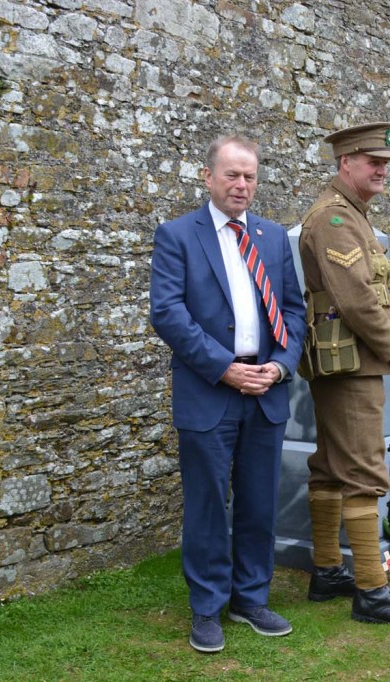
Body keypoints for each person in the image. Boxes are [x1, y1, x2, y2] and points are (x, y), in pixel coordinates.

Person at [149, 135, 307, 652]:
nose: (242, 185)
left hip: (265, 392)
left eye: (250, 177)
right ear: (208, 176)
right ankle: (208, 607)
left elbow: (292, 312)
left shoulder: (273, 235)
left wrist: (281, 368)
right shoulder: (177, 235)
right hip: (209, 392)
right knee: (208, 504)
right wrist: (224, 369)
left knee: (261, 502)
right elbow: (168, 313)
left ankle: (251, 598)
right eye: (232, 175)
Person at [298, 121, 390, 628]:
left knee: (333, 465)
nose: (381, 169)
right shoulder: (334, 219)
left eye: (385, 163)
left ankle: (328, 571)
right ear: (344, 164)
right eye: (371, 161)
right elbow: (355, 298)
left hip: (353, 359)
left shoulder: (351, 215)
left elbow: (377, 288)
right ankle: (372, 591)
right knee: (362, 471)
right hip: (351, 363)